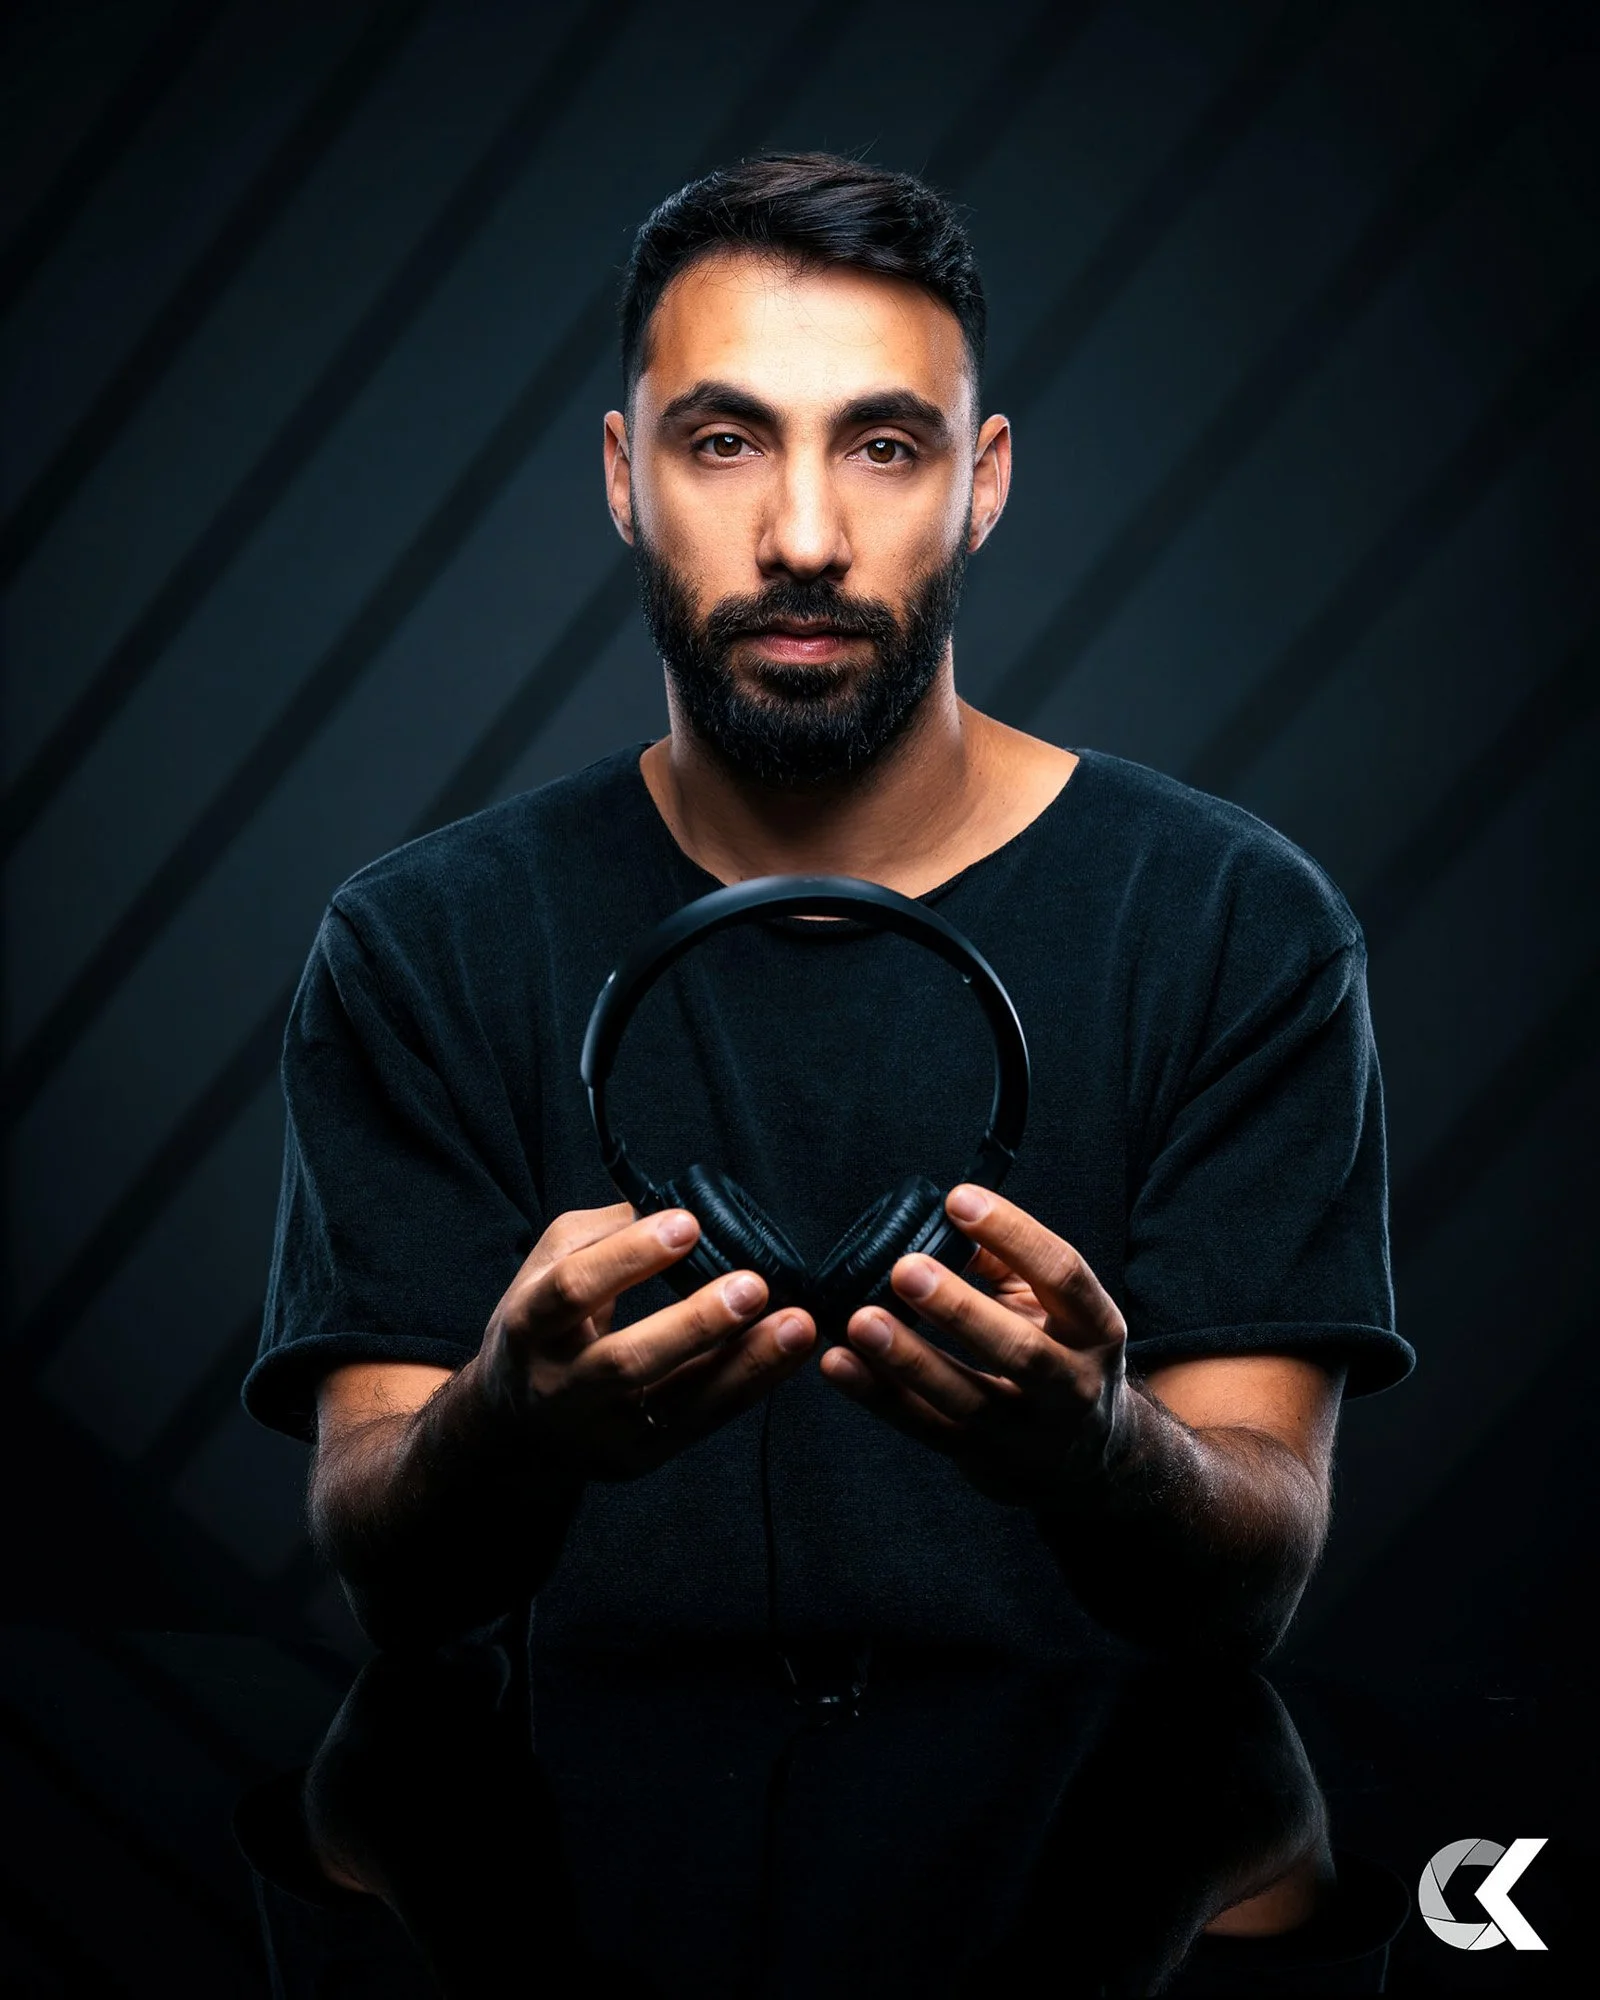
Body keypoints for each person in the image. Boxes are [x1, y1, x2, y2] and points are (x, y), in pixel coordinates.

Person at [243, 153, 1412, 1668]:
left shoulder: (1237, 925)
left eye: (882, 446)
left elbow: (1250, 1583)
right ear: (622, 477)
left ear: (981, 481)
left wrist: (1101, 1446)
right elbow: (390, 1570)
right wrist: (501, 1425)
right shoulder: (421, 944)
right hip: (575, 1889)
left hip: (1090, 1879)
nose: (803, 536)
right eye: (725, 441)